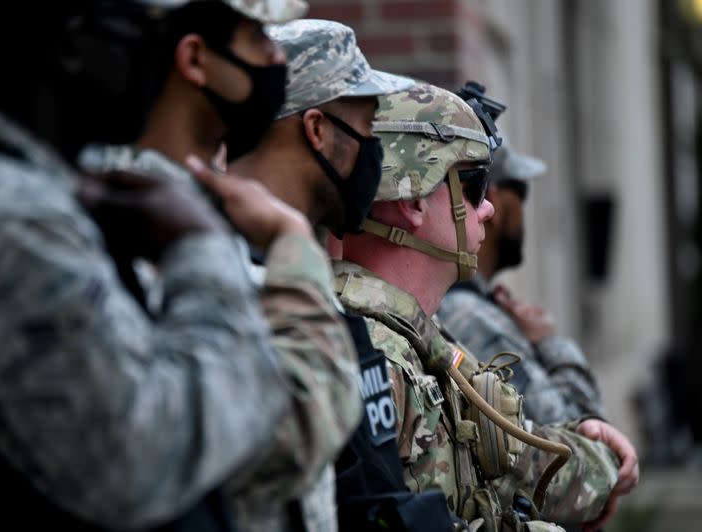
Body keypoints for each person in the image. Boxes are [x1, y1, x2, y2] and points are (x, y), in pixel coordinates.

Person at [0, 1, 316, 529]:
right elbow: (143, 461)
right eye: (144, 30)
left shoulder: (43, 193)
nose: (160, 55)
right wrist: (200, 248)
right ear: (73, 46)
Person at [77, 11, 377, 532]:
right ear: (194, 58)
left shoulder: (208, 212)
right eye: (258, 36)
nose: (276, 56)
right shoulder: (135, 220)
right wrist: (292, 247)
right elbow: (289, 433)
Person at [335, 82, 637, 531]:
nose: (488, 208)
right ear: (414, 198)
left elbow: (508, 465)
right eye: (473, 186)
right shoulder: (369, 353)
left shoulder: (419, 337)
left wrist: (593, 449)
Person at [231, 19, 460, 532]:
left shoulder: (308, 281)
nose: (374, 156)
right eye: (367, 130)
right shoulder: (236, 279)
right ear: (316, 130)